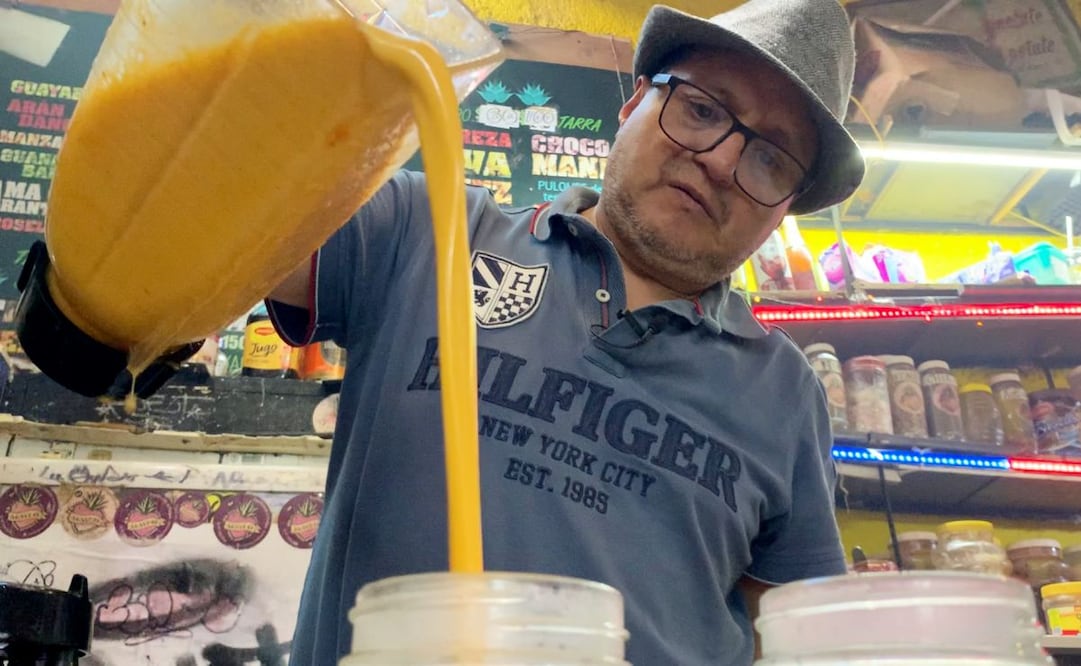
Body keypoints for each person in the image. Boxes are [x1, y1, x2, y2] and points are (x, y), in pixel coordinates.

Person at [268, 0, 866, 663]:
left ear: (785, 208)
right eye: (701, 109)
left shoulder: (785, 393)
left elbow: (792, 640)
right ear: (633, 103)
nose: (723, 161)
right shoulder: (425, 232)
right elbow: (218, 225)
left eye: (772, 159)